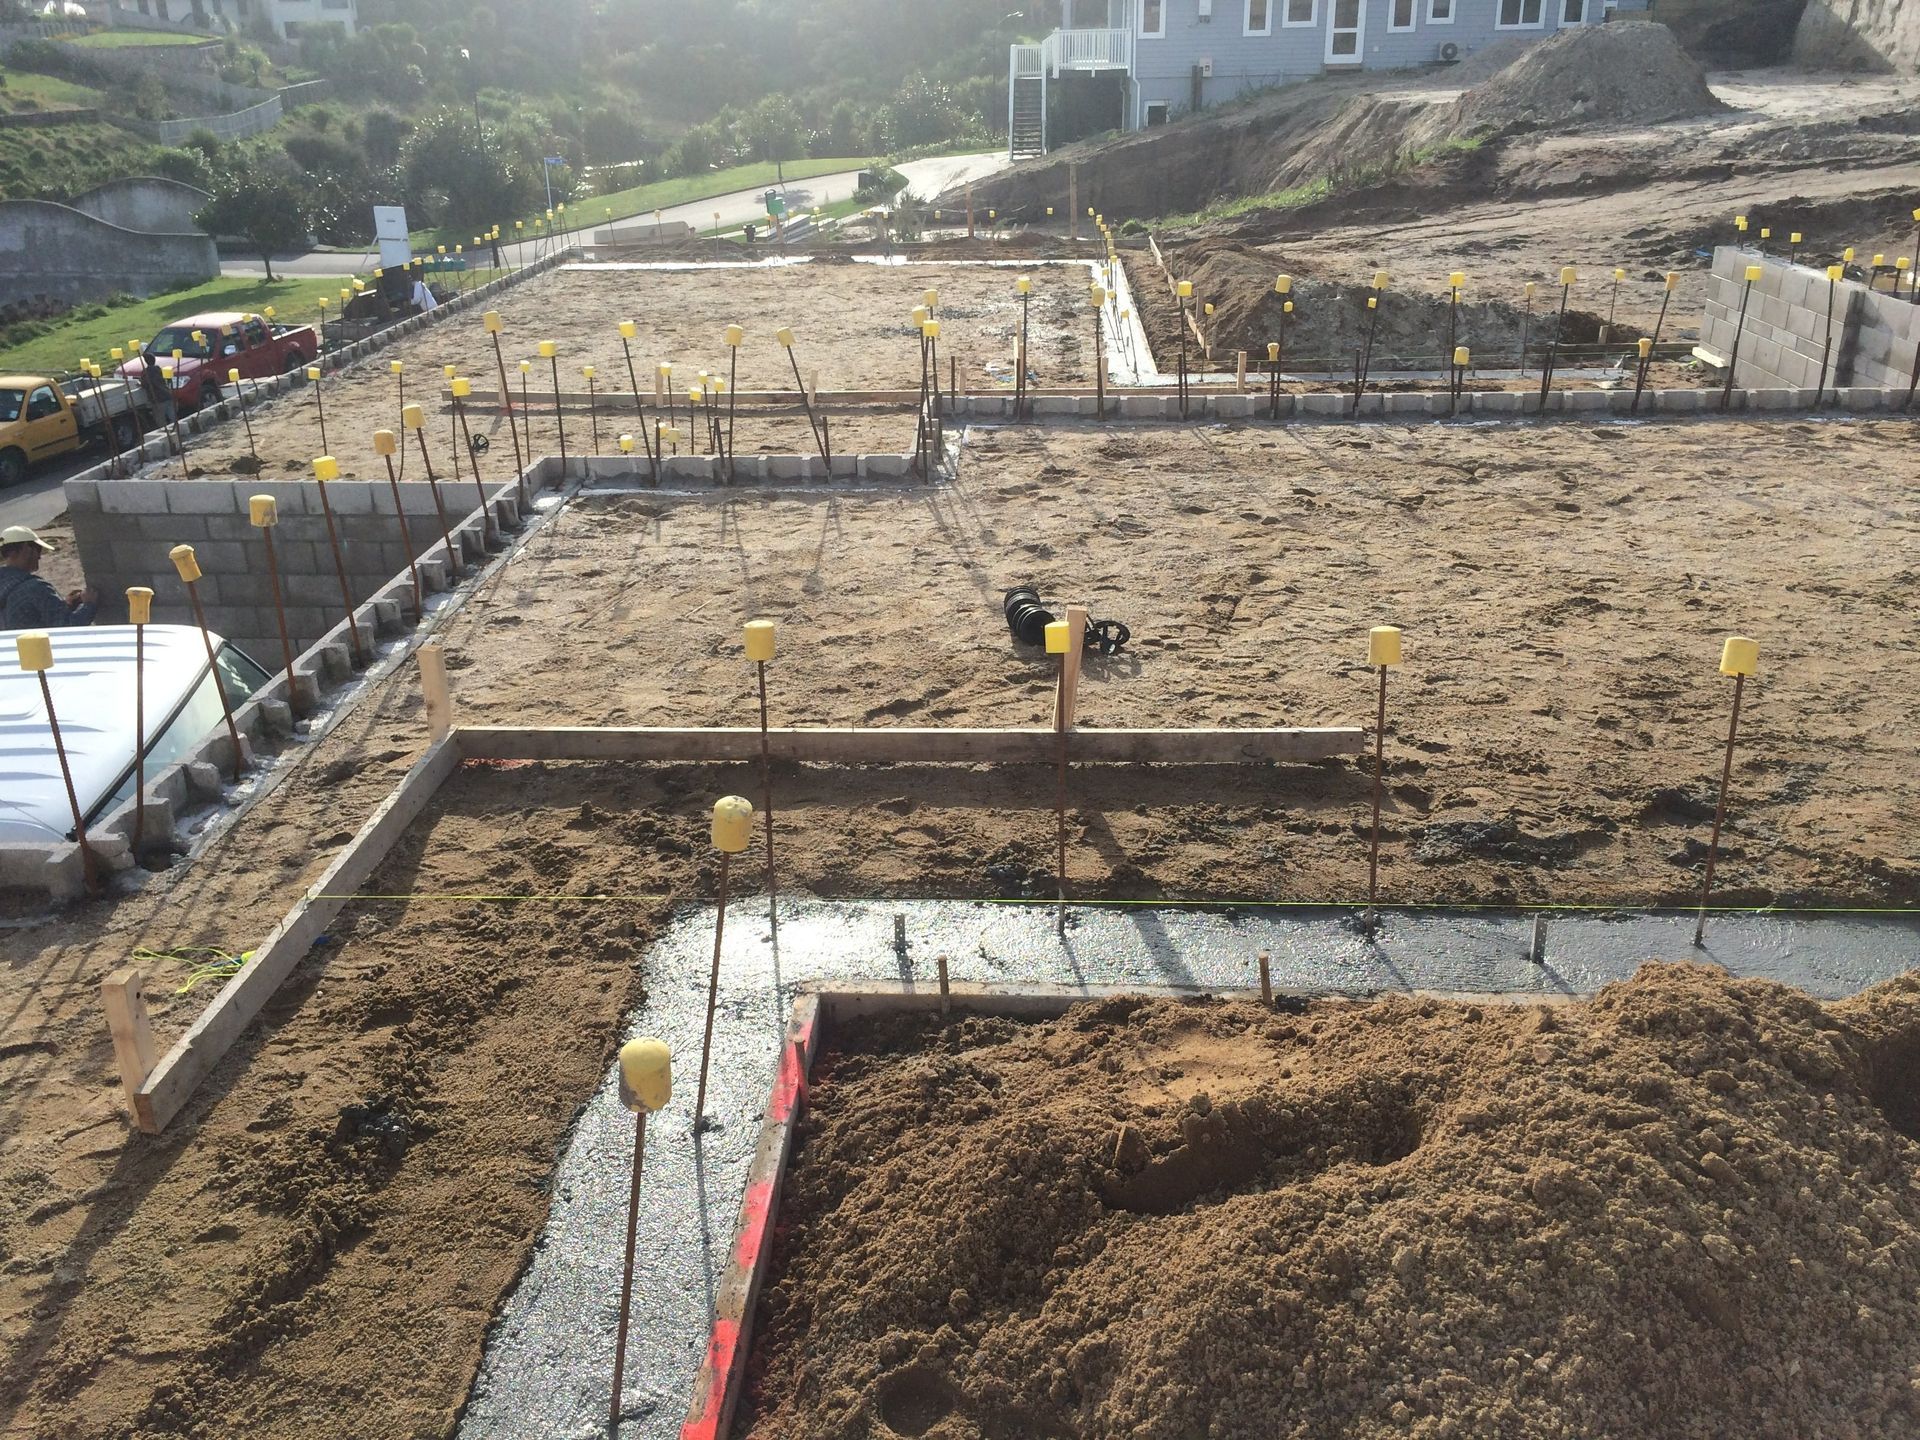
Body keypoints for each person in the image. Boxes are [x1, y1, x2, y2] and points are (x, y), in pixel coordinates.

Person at [0, 525, 95, 628]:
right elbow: (68, 626)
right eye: (38, 549)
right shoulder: (36, 588)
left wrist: (65, 606)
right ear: (26, 548)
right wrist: (89, 604)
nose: (39, 557)